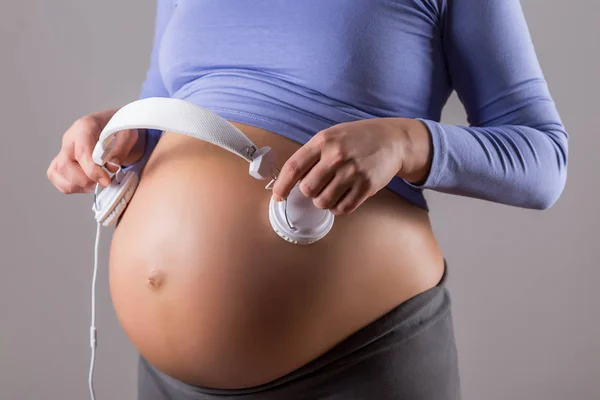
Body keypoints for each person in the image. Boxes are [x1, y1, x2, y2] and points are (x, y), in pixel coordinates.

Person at [46, 0, 568, 399]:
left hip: (356, 363)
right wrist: (121, 134)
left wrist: (408, 143)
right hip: (168, 380)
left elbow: (543, 159)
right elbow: (175, 103)